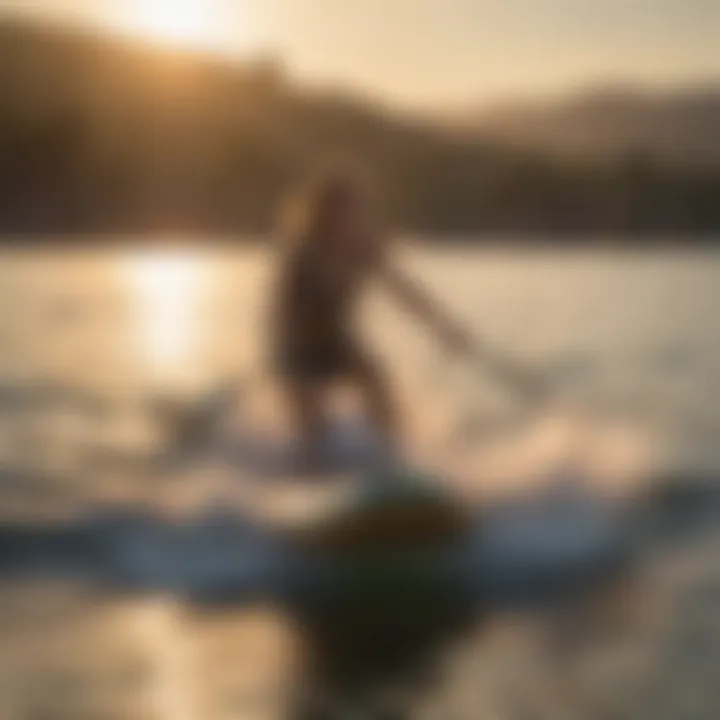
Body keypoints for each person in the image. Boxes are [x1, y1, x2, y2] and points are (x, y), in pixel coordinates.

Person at [271, 169, 477, 470]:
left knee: (384, 400)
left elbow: (405, 293)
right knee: (314, 431)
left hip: (338, 340)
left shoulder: (364, 249)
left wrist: (445, 328)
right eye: (344, 210)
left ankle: (392, 471)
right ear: (325, 213)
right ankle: (307, 475)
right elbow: (285, 311)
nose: (353, 217)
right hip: (296, 346)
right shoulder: (304, 252)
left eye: (356, 209)